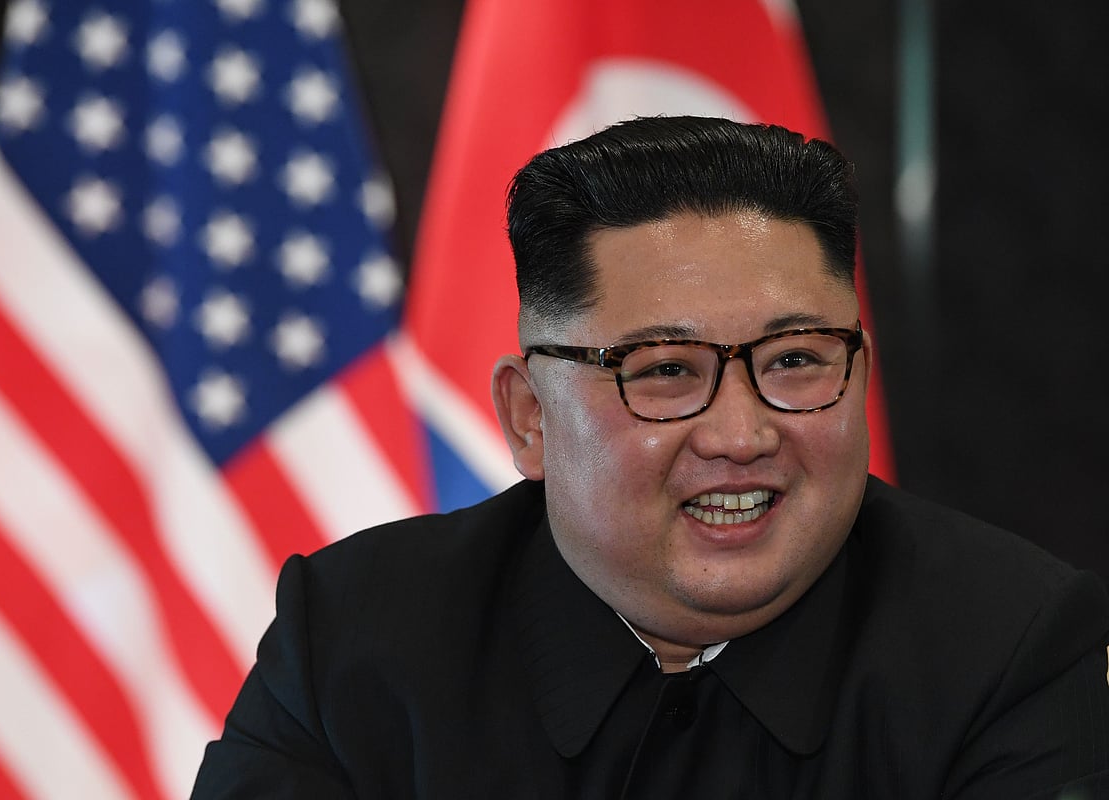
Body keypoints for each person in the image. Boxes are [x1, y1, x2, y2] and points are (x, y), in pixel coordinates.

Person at [190, 116, 1109, 798]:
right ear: (529, 419)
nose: (742, 436)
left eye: (795, 360)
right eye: (665, 371)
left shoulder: (1012, 647)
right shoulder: (353, 639)